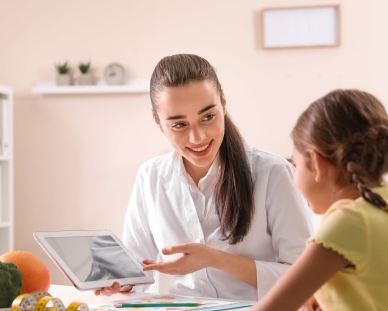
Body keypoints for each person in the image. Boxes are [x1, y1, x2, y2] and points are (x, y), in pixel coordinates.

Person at [94, 53, 313, 300]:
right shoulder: (151, 176)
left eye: (208, 117)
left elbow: (304, 277)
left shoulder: (272, 173)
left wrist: (214, 260)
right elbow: (136, 267)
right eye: (179, 125)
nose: (197, 138)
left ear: (223, 103)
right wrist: (119, 281)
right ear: (158, 122)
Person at [252, 89, 388, 310]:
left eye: (296, 165)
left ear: (317, 162)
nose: (295, 178)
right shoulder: (386, 204)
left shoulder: (348, 222)